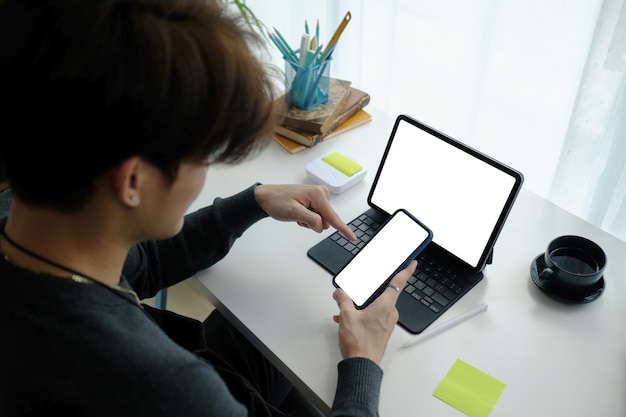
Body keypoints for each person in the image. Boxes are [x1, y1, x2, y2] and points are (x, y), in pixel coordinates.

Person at [0, 0, 416, 416]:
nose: (207, 169)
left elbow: (139, 262)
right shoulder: (168, 390)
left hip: (203, 364)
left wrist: (251, 202)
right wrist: (362, 363)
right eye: (203, 152)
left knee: (263, 329)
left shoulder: (27, 218)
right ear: (133, 182)